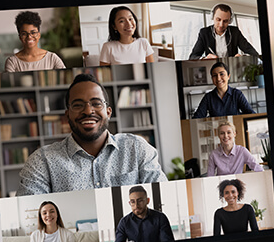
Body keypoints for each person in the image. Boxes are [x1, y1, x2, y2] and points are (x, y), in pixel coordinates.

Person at [16, 74, 167, 195]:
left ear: (108, 112)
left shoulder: (137, 149)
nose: (88, 111)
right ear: (67, 114)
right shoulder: (42, 161)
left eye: (96, 103)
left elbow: (163, 197)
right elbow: (32, 217)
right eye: (78, 105)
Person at [188, 4, 259, 60]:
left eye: (225, 21)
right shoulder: (204, 33)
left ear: (230, 21)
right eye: (218, 19)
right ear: (212, 17)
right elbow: (193, 56)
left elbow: (254, 53)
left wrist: (243, 57)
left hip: (232, 68)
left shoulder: (235, 32)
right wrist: (204, 59)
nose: (221, 25)